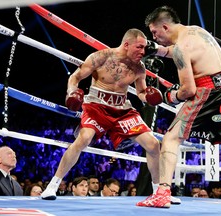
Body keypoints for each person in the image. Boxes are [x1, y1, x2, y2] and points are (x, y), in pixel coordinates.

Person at [137, 5, 221, 208]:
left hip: (210, 92)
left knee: (171, 138)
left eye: (155, 32)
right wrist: (159, 50)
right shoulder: (197, 31)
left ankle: (162, 193)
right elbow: (184, 52)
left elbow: (188, 90)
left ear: (164, 27)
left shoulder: (181, 47)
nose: (154, 37)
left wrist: (167, 96)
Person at [41, 28, 163, 200]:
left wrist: (148, 97)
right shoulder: (100, 57)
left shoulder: (139, 68)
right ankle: (53, 185)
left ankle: (159, 192)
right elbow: (75, 78)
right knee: (83, 139)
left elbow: (141, 92)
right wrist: (71, 93)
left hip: (122, 110)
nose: (143, 52)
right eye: (140, 47)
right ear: (126, 44)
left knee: (153, 144)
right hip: (96, 106)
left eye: (144, 48)